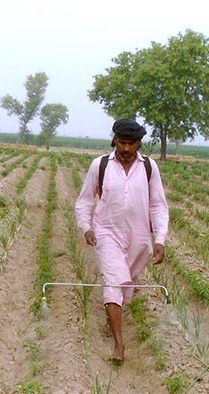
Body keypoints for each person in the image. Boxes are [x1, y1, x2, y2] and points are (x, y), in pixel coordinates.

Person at [74, 119, 169, 364]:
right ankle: (119, 344)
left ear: (139, 144)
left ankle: (111, 317)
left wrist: (159, 239)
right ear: (114, 140)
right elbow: (85, 200)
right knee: (114, 280)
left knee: (126, 286)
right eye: (122, 143)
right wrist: (86, 227)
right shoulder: (101, 165)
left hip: (139, 237)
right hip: (107, 232)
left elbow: (158, 204)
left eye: (131, 144)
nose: (126, 149)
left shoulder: (149, 167)